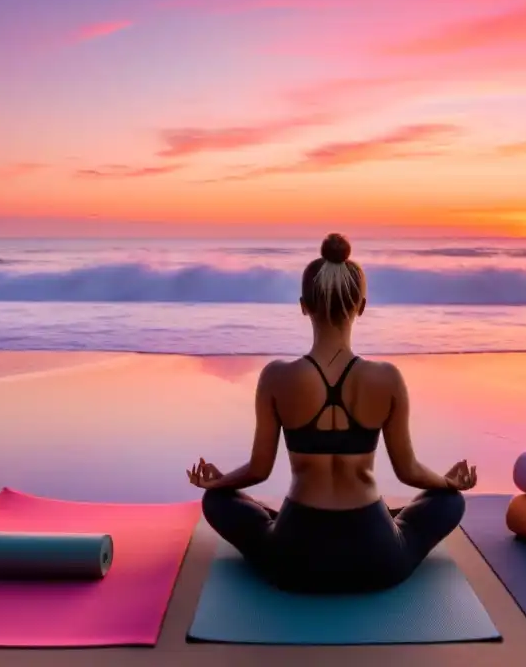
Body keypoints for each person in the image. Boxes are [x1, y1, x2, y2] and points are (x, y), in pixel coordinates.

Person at [186, 232, 478, 594]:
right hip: (378, 557)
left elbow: (258, 470)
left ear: (303, 306)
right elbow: (409, 471)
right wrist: (448, 483)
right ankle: (393, 519)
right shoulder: (387, 379)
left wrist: (220, 482)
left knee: (216, 501)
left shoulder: (277, 377)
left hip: (294, 557)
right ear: (362, 305)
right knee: (450, 502)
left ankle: (275, 523)